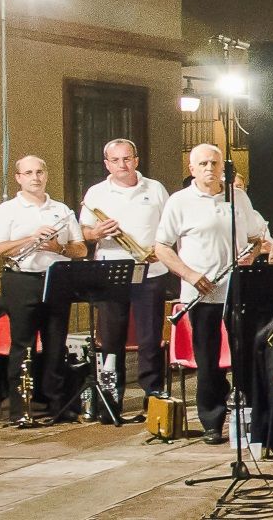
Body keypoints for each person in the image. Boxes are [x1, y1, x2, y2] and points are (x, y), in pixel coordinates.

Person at [152, 144, 269, 444]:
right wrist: (190, 274)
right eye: (203, 163)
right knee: (208, 359)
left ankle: (250, 417)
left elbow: (257, 238)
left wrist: (252, 255)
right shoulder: (179, 202)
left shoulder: (238, 197)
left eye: (214, 163)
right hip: (201, 292)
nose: (209, 168)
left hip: (239, 289)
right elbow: (162, 247)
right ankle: (211, 421)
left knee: (244, 354)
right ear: (192, 169)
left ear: (223, 167)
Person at [77, 139, 172, 419]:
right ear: (107, 164)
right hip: (110, 273)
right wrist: (96, 233)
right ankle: (110, 399)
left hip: (150, 270)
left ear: (136, 160)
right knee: (110, 340)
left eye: (127, 159)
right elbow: (83, 232)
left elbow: (169, 226)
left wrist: (159, 248)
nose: (122, 165)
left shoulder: (155, 189)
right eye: (116, 160)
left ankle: (153, 397)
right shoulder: (96, 193)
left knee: (150, 338)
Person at [0, 155, 86, 421]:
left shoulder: (62, 210)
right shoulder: (8, 210)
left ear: (46, 174)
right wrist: (30, 238)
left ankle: (58, 406)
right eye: (28, 173)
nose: (35, 177)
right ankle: (21, 410)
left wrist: (59, 248)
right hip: (21, 279)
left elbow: (80, 248)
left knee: (56, 343)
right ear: (19, 178)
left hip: (56, 280)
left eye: (39, 171)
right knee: (23, 345)